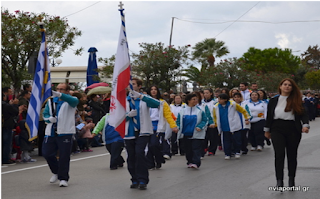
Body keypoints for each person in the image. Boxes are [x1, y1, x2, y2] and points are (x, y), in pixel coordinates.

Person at [125, 78, 177, 190]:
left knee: (139, 154)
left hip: (143, 132)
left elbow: (157, 104)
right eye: (130, 85)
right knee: (131, 157)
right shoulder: (124, 100)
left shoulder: (144, 99)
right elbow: (116, 117)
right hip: (129, 132)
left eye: (133, 84)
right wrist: (127, 115)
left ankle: (143, 180)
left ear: (139, 86)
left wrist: (141, 96)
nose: (131, 86)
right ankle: (134, 179)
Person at [264, 78, 309, 189]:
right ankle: (279, 180)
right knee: (279, 154)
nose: (287, 86)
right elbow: (269, 116)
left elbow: (303, 114)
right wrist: (267, 130)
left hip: (293, 129)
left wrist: (305, 126)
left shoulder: (297, 100)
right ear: (280, 86)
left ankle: (291, 179)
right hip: (277, 128)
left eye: (289, 85)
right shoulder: (273, 100)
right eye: (285, 84)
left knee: (292, 155)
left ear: (292, 88)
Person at [42, 83, 79, 187]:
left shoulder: (72, 100)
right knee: (47, 153)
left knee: (64, 156)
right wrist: (48, 119)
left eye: (61, 89)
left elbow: (74, 101)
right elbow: (45, 114)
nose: (59, 91)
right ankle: (56, 171)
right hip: (51, 132)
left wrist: (60, 95)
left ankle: (63, 178)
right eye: (57, 89)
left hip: (65, 132)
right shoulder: (50, 101)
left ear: (67, 91)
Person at [146, 85, 177, 170]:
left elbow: (168, 115)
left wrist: (173, 126)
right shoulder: (145, 102)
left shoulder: (162, 103)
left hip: (158, 127)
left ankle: (158, 159)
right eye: (151, 89)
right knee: (148, 146)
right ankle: (150, 163)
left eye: (155, 89)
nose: (153, 91)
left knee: (154, 144)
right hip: (147, 126)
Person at [213, 93, 250, 160]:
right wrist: (215, 124)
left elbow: (243, 111)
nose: (218, 100)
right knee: (226, 141)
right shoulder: (216, 107)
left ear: (225, 99)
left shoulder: (233, 104)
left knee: (236, 140)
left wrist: (246, 118)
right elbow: (215, 116)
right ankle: (227, 153)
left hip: (234, 126)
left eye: (220, 99)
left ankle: (237, 152)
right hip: (224, 127)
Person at [176, 93, 208, 168]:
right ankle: (190, 161)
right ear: (188, 100)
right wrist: (177, 127)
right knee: (188, 149)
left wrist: (200, 126)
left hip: (196, 133)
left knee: (196, 148)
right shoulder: (182, 111)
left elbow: (205, 120)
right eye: (193, 99)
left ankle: (196, 162)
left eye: (196, 99)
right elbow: (178, 121)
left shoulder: (200, 111)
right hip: (186, 133)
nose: (196, 101)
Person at [2, 93, 23, 165]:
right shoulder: (5, 105)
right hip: (6, 126)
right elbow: (15, 112)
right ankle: (6, 158)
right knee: (7, 143)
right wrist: (15, 105)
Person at [201, 88, 218, 156]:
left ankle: (212, 150)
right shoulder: (201, 102)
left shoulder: (215, 102)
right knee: (204, 136)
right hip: (204, 121)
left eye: (207, 93)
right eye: (204, 93)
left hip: (212, 121)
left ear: (211, 93)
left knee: (213, 137)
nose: (205, 94)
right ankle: (204, 147)